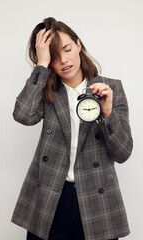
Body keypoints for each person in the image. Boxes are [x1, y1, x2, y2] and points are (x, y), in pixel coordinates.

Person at [11, 17, 133, 240]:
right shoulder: (48, 91)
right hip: (51, 197)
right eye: (54, 57)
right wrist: (41, 66)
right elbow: (23, 115)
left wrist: (107, 114)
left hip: (96, 199)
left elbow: (123, 153)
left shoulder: (110, 88)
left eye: (67, 49)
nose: (64, 60)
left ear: (79, 44)